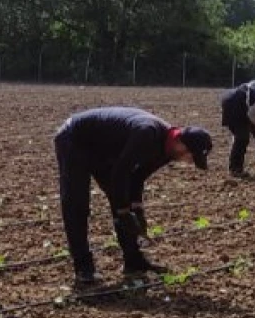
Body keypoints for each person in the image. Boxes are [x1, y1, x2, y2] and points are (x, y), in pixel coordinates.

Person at [54, 107, 213, 286]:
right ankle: (84, 268)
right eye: (190, 155)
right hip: (75, 138)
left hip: (102, 148)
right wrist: (123, 211)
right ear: (180, 141)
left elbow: (137, 177)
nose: (189, 161)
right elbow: (121, 172)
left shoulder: (168, 151)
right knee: (77, 204)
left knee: (123, 201)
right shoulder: (147, 133)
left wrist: (137, 209)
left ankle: (134, 261)